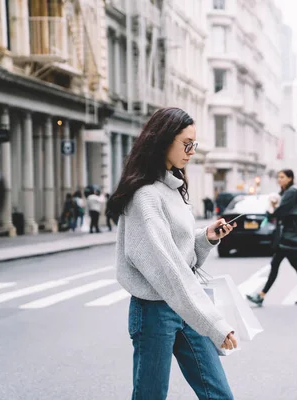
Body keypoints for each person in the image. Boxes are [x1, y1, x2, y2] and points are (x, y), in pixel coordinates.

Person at [106, 107, 238, 400]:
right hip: (155, 310)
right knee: (150, 396)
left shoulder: (172, 189)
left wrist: (205, 238)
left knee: (219, 395)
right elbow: (168, 268)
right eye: (186, 144)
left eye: (195, 144)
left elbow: (179, 255)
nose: (191, 151)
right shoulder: (145, 197)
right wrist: (215, 323)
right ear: (163, 141)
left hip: (184, 303)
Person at [247, 169, 297, 306]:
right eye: (278, 177)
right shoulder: (284, 192)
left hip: (289, 235)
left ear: (290, 178)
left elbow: (280, 211)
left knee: (276, 264)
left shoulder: (292, 192)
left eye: (282, 177)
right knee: (292, 264)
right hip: (285, 235)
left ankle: (261, 295)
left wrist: (271, 211)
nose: (279, 179)